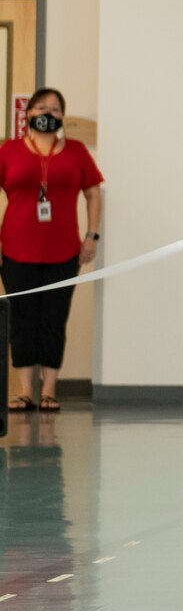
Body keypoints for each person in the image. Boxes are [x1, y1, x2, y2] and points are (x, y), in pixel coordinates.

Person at [1, 88, 102, 412]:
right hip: (16, 250)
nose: (48, 113)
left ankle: (48, 391)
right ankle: (24, 391)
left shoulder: (76, 151)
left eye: (55, 109)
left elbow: (94, 193)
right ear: (27, 114)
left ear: (62, 116)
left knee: (54, 320)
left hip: (63, 252)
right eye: (41, 107)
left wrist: (92, 236)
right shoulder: (10, 150)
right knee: (21, 320)